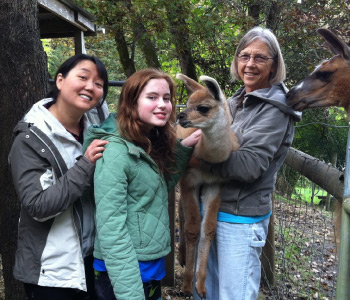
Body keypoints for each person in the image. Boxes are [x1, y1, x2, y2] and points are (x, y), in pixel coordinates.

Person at [193, 27, 302, 300]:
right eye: (244, 56)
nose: (250, 64)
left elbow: (249, 166)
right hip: (214, 210)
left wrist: (193, 159)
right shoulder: (236, 101)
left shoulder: (276, 109)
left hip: (240, 220)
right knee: (207, 293)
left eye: (260, 58)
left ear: (274, 64)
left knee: (234, 295)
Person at [83, 69, 201, 300]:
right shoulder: (115, 152)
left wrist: (183, 149)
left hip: (149, 266)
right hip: (123, 272)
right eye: (152, 97)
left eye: (167, 98)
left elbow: (154, 189)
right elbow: (112, 230)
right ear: (131, 101)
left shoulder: (146, 141)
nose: (162, 105)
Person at [8, 54, 110, 300]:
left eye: (98, 84)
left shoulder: (96, 124)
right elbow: (38, 206)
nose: (90, 87)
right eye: (83, 77)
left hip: (92, 258)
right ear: (61, 80)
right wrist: (85, 165)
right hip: (52, 272)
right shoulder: (31, 138)